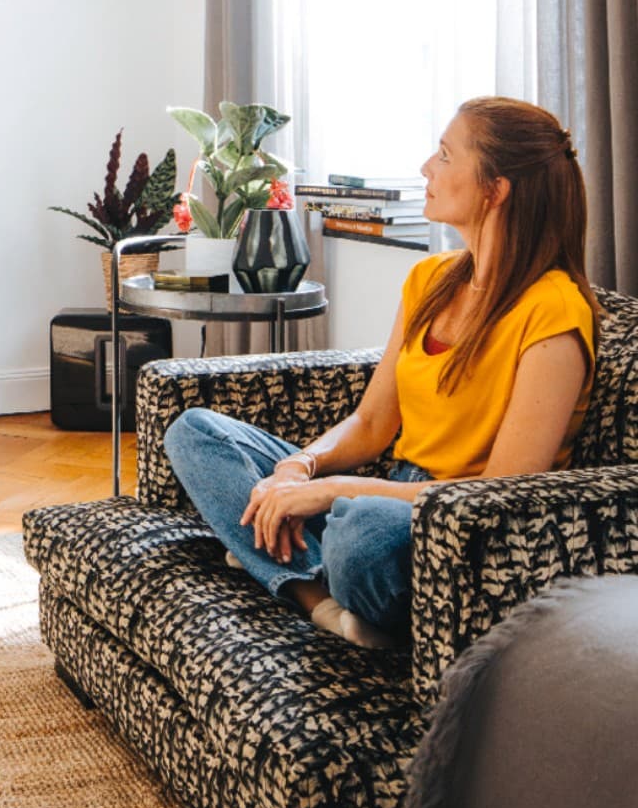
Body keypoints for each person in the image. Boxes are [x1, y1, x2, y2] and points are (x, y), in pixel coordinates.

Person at [163, 97, 597, 649]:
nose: (425, 168)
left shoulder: (554, 311)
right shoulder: (431, 279)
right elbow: (371, 424)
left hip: (449, 527)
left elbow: (500, 492)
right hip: (388, 490)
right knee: (196, 432)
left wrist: (334, 492)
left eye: (444, 155)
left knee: (360, 536)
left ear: (496, 189)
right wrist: (301, 467)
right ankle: (318, 599)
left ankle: (276, 556)